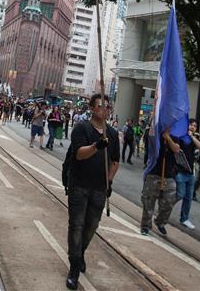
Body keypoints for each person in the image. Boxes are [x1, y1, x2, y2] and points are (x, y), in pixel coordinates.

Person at [65, 94, 119, 290]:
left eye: (108, 106)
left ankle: (79, 254)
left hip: (99, 188)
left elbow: (115, 162)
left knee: (91, 226)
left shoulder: (112, 134)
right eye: (100, 106)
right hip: (79, 185)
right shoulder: (82, 128)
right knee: (77, 225)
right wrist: (97, 146)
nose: (105, 109)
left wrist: (109, 181)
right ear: (91, 108)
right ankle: (74, 266)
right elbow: (79, 154)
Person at [140, 131, 180, 235]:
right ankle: (145, 225)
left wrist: (168, 137)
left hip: (169, 175)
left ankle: (160, 222)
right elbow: (151, 147)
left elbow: (176, 149)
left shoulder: (175, 134)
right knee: (148, 202)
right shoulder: (153, 131)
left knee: (168, 203)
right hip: (153, 172)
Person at [173, 118, 200, 230]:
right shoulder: (181, 137)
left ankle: (184, 218)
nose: (192, 127)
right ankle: (165, 207)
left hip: (190, 172)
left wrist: (192, 136)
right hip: (180, 171)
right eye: (191, 125)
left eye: (195, 126)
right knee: (180, 194)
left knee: (188, 197)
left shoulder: (193, 139)